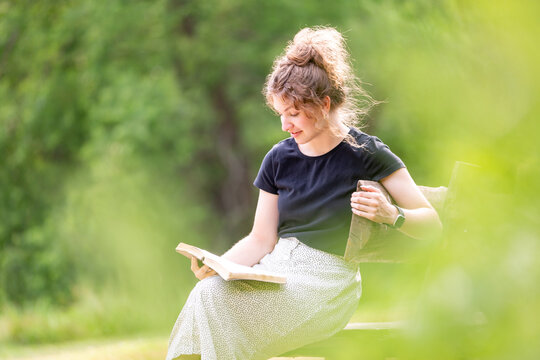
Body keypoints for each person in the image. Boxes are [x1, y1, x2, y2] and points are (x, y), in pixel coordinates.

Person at [166, 26, 442, 360]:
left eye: (294, 113)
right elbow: (260, 239)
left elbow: (432, 224)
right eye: (281, 114)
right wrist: (219, 265)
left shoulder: (366, 153)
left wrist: (391, 214)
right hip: (276, 269)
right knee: (207, 290)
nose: (286, 124)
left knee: (215, 303)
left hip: (325, 285)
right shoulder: (279, 158)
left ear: (324, 105)